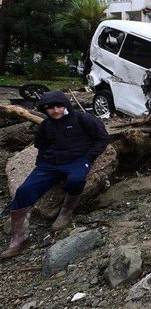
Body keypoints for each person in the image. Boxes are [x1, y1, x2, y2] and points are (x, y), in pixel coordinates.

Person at [1, 91, 110, 259]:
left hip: (77, 160)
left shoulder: (82, 119)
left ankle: (66, 212)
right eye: (50, 108)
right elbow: (41, 146)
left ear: (65, 105)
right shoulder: (46, 125)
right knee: (24, 191)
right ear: (45, 109)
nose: (56, 110)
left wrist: (89, 157)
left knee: (76, 179)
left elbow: (102, 138)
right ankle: (19, 239)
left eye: (59, 106)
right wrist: (40, 166)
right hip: (50, 164)